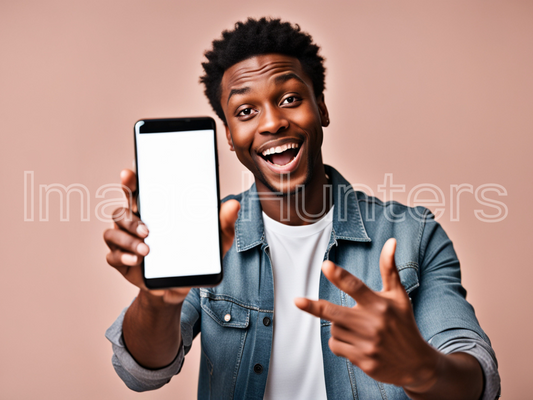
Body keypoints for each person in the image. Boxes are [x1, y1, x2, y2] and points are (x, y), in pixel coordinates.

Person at [104, 17, 500, 399]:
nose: (273, 122)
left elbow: (475, 378)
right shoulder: (207, 235)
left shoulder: (412, 233)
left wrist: (421, 367)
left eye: (290, 99)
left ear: (322, 109)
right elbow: (142, 372)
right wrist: (157, 300)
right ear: (229, 135)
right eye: (246, 111)